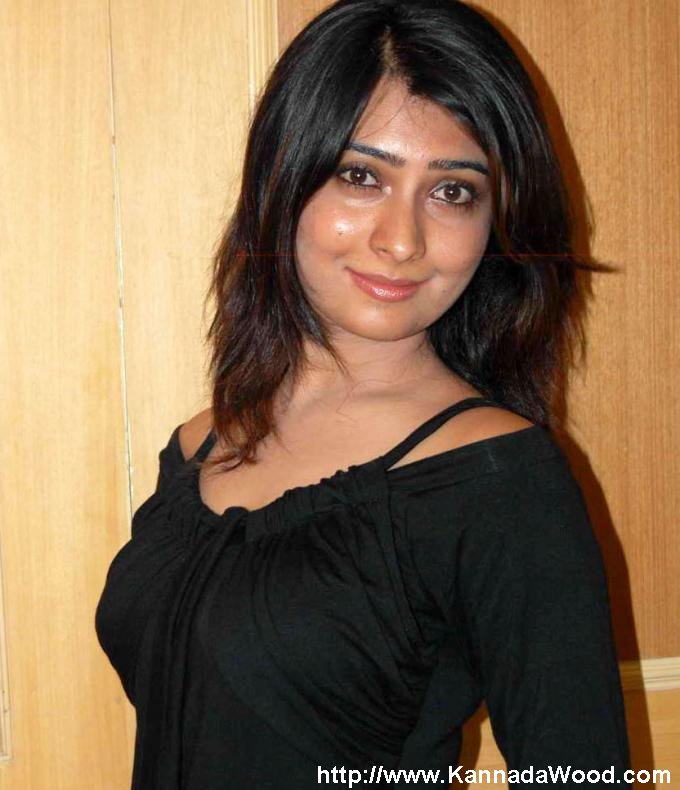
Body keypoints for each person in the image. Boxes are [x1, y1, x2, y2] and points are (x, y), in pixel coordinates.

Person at [95, 0, 632, 787]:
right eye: (361, 176)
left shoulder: (499, 481)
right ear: (284, 178)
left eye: (453, 192)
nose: (402, 240)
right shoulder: (199, 444)